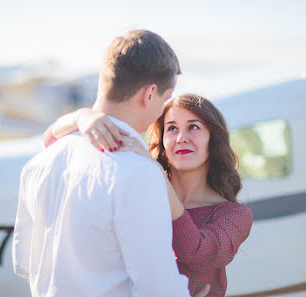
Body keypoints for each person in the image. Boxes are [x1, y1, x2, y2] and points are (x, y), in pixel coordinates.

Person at [12, 30, 210, 297]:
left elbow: (23, 263)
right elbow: (158, 287)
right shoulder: (140, 172)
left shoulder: (40, 162)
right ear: (150, 93)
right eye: (164, 100)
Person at [43, 93, 253, 297]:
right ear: (162, 140)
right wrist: (83, 116)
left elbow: (196, 253)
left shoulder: (235, 215)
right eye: (171, 129)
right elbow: (51, 140)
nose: (181, 138)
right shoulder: (140, 193)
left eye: (193, 127)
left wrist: (157, 178)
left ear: (213, 140)